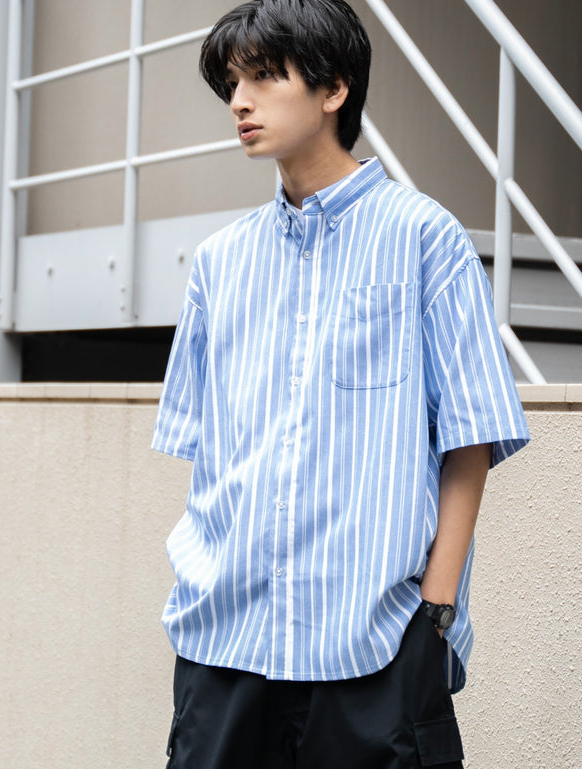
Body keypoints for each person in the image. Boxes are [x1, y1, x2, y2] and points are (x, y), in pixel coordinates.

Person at [152, 1, 530, 766]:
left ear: (333, 89)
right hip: (224, 644)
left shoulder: (424, 237)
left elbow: (470, 436)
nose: (240, 102)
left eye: (264, 76)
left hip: (372, 648)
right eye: (231, 83)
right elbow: (207, 452)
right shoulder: (219, 263)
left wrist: (434, 614)